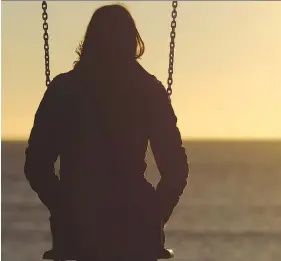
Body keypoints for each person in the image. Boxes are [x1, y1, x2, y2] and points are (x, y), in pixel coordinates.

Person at [24, 4, 189, 261]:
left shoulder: (64, 90)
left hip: (80, 227)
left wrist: (64, 207)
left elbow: (36, 164)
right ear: (132, 43)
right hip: (135, 227)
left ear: (90, 41)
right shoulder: (148, 91)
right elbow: (176, 168)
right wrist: (153, 215)